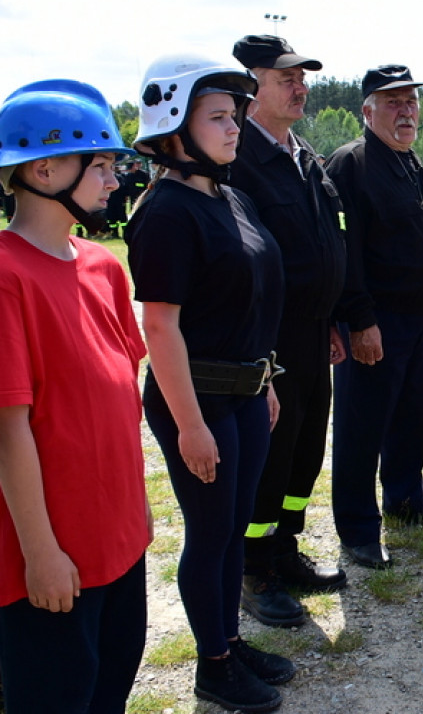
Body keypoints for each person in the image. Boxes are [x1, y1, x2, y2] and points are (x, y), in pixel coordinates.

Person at [126, 54, 295, 713]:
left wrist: (267, 377)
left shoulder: (233, 197)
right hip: (195, 399)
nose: (235, 129)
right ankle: (213, 667)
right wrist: (190, 424)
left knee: (233, 527)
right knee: (211, 530)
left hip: (247, 391)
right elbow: (160, 329)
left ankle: (228, 637)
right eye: (219, 117)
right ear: (174, 128)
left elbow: (249, 298)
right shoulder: (165, 213)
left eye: (235, 116)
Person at [0, 79, 150, 714]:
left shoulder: (103, 266)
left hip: (121, 540)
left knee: (109, 689)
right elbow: (10, 432)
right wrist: (40, 554)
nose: (115, 180)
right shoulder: (7, 277)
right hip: (53, 559)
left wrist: (134, 519)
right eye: (103, 165)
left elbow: (118, 400)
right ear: (45, 169)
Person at [230, 34, 348, 625]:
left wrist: (332, 317)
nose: (300, 87)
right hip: (269, 334)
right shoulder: (238, 158)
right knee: (270, 453)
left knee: (304, 448)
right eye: (286, 79)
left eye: (303, 77)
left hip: (312, 330)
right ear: (252, 87)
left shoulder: (302, 155)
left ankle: (284, 546)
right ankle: (253, 568)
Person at [325, 65, 423, 569]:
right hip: (377, 322)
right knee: (362, 426)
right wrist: (359, 320)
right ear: (367, 110)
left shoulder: (411, 163)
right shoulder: (352, 164)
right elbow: (346, 251)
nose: (406, 111)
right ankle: (357, 528)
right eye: (393, 102)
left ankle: (406, 501)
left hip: (420, 319)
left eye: (411, 102)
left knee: (409, 418)